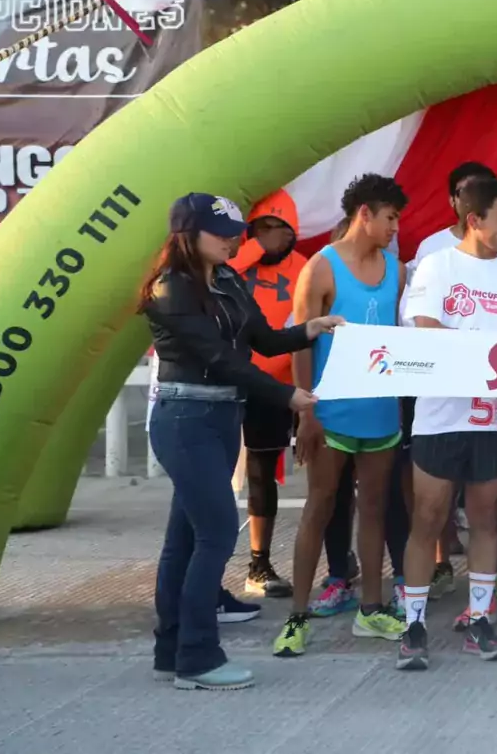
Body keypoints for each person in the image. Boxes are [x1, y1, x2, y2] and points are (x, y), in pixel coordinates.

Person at [142, 193, 333, 690]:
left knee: (185, 539)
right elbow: (221, 359)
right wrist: (287, 395)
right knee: (217, 531)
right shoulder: (171, 289)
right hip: (186, 417)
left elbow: (264, 340)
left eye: (235, 231)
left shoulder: (226, 278)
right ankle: (199, 658)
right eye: (221, 231)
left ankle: (173, 652)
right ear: (188, 233)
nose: (234, 239)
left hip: (224, 415)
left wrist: (310, 329)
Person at [397, 178, 497, 670]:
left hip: (496, 420)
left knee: (487, 519)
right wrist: (476, 363)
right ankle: (412, 624)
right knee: (429, 518)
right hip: (441, 416)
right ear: (475, 219)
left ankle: (480, 619)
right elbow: (425, 330)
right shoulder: (438, 265)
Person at [274, 176, 410, 657]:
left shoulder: (397, 270)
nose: (396, 226)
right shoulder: (321, 267)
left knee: (374, 509)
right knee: (321, 507)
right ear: (365, 215)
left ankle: (371, 609)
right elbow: (300, 342)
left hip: (381, 414)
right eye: (390, 216)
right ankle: (297, 617)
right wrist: (306, 410)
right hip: (331, 413)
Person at [226, 191, 309, 599]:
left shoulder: (305, 268)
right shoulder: (235, 263)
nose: (275, 237)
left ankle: (258, 564)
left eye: (282, 230)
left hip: (274, 386)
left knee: (262, 473)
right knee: (215, 474)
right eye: (265, 229)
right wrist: (255, 248)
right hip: (226, 379)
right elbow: (215, 275)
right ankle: (207, 563)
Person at [407, 161, 497, 284]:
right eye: (465, 192)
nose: (472, 199)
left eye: (481, 192)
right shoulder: (431, 247)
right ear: (452, 201)